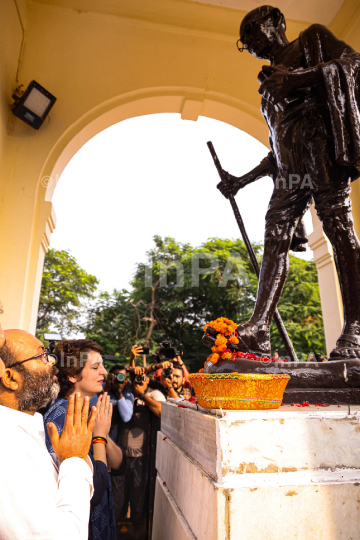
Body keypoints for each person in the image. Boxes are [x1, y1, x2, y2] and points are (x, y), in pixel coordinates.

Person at [218, 5, 360, 360]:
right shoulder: (267, 87)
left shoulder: (311, 40)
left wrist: (297, 80)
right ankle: (259, 329)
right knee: (275, 231)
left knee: (338, 227)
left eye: (252, 30)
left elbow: (354, 65)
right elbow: (276, 149)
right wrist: (241, 181)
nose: (249, 42)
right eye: (244, 39)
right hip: (291, 167)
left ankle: (355, 328)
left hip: (321, 148)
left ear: (276, 23)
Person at [0, 325, 96, 540]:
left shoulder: (28, 426)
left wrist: (67, 458)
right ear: (10, 378)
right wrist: (73, 461)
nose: (52, 363)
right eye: (42, 355)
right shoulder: (5, 446)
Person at [44, 339, 126, 540]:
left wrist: (103, 433)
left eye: (103, 366)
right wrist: (99, 438)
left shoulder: (87, 411)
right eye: (95, 367)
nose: (104, 372)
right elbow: (93, 492)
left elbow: (119, 464)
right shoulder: (61, 417)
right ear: (72, 375)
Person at [103, 364, 134, 440]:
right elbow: (91, 405)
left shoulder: (127, 394)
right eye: (118, 377)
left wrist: (118, 393)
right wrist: (105, 390)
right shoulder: (102, 388)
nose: (121, 380)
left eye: (124, 378)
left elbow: (126, 417)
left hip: (115, 434)